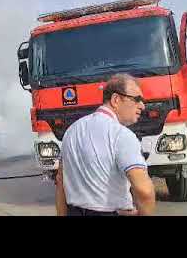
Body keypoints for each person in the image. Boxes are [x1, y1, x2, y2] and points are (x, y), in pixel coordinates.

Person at [55, 73, 156, 216]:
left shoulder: (71, 131)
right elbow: (144, 191)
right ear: (116, 99)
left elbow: (60, 182)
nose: (142, 106)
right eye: (137, 99)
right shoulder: (122, 135)